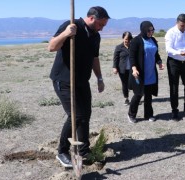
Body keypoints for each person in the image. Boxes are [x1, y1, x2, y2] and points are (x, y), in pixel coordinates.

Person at [48, 6, 110, 168]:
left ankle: (83, 151)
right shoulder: (71, 25)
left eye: (104, 26)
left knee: (86, 114)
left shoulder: (96, 36)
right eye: (100, 25)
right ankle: (62, 151)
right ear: (91, 18)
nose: (101, 28)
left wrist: (100, 78)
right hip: (64, 80)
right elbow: (51, 47)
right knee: (76, 115)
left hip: (82, 81)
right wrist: (66, 34)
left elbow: (94, 58)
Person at [127, 21, 164, 123]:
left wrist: (159, 62)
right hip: (139, 73)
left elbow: (156, 54)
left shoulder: (153, 40)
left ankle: (148, 115)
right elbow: (132, 56)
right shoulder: (136, 41)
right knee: (138, 94)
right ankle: (131, 114)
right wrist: (134, 69)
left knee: (148, 95)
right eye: (149, 30)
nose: (151, 32)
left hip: (150, 72)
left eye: (152, 30)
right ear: (143, 30)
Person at [112, 31, 133, 105]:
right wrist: (115, 67)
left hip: (132, 69)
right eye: (126, 39)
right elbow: (115, 58)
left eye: (129, 39)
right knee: (125, 84)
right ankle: (126, 98)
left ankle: (136, 98)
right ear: (123, 38)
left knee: (133, 84)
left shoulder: (133, 46)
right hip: (122, 70)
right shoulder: (119, 47)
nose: (127, 41)